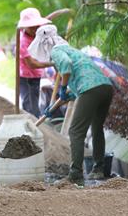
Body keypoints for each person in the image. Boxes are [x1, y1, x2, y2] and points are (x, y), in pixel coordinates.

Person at [29, 25, 113, 186]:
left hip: (90, 90)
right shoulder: (73, 51)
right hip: (105, 87)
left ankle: (75, 174)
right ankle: (99, 169)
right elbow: (82, 79)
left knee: (75, 131)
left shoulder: (57, 51)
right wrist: (62, 98)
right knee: (97, 129)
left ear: (44, 45)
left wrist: (62, 87)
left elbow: (66, 67)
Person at [17, 7, 68, 117]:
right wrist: (53, 63)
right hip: (25, 78)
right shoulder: (23, 42)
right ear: (25, 26)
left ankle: (34, 121)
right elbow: (33, 64)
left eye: (37, 25)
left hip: (36, 77)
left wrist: (62, 12)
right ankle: (30, 126)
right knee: (30, 106)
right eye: (32, 27)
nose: (35, 29)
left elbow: (47, 18)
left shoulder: (38, 30)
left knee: (34, 100)